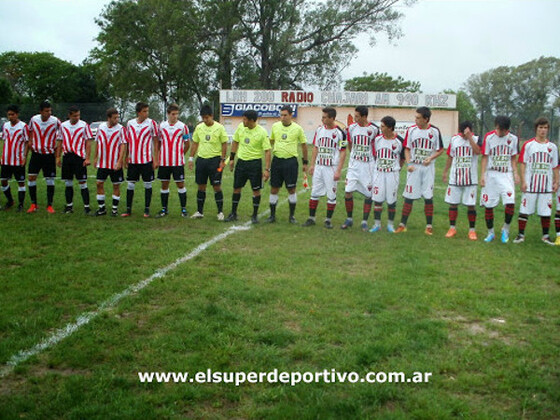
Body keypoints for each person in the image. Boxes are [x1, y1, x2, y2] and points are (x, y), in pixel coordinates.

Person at [395, 106, 444, 235]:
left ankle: (429, 226)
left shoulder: (434, 131)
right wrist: (409, 163)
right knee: (408, 196)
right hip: (414, 167)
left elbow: (440, 150)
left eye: (418, 118)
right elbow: (407, 148)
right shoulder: (411, 130)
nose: (415, 120)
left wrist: (431, 158)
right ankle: (402, 225)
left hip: (428, 168)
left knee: (428, 196)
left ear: (426, 119)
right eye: (415, 117)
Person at [513, 117, 559, 245]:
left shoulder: (552, 147)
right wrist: (523, 181)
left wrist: (556, 181)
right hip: (531, 184)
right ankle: (520, 235)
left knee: (546, 211)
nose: (543, 130)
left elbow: (555, 166)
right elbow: (522, 163)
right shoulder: (529, 145)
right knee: (525, 209)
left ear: (548, 130)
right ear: (536, 129)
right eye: (540, 128)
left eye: (545, 128)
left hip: (546, 185)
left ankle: (545, 236)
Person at [302, 107, 347, 229]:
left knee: (331, 195)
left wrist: (338, 170)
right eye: (322, 117)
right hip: (319, 166)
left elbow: (343, 152)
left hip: (331, 168)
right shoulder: (319, 130)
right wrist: (312, 165)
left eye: (325, 117)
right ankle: (311, 218)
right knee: (314, 193)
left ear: (332, 118)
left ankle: (328, 220)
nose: (322, 119)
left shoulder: (340, 133)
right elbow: (316, 147)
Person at [225, 110, 271, 224]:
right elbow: (235, 142)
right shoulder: (241, 127)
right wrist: (231, 159)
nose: (243, 121)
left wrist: (266, 169)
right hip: (241, 163)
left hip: (254, 164)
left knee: (256, 190)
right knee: (236, 188)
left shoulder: (261, 132)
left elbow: (267, 151)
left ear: (251, 120)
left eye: (245, 119)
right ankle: (233, 213)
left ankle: (255, 215)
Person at [479, 116, 519, 243]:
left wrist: (516, 173)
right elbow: (484, 157)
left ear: (507, 130)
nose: (499, 132)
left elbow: (513, 158)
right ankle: (490, 232)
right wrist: (482, 175)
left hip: (506, 174)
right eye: (498, 129)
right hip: (491, 173)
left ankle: (505, 229)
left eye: (502, 130)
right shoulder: (489, 137)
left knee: (510, 201)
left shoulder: (513, 139)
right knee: (488, 204)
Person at [266, 105, 308, 224]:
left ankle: (291, 216)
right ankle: (272, 216)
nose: (282, 117)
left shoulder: (298, 128)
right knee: (274, 189)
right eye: (281, 115)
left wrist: (305, 162)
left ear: (291, 115)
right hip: (277, 161)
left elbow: (304, 145)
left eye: (285, 115)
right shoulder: (275, 126)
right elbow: (271, 141)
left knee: (291, 189)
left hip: (291, 162)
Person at [441, 121, 482, 240]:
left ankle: (472, 231)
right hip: (455, 177)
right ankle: (452, 228)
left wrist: (470, 138)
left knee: (471, 205)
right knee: (453, 203)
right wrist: (445, 171)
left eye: (466, 132)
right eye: (462, 133)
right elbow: (450, 156)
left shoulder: (476, 138)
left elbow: (478, 151)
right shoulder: (454, 140)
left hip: (471, 178)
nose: (464, 135)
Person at [341, 106, 379, 231]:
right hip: (354, 165)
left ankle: (364, 221)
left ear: (364, 116)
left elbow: (378, 145)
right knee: (348, 191)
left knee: (368, 194)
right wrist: (354, 155)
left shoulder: (374, 129)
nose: (355, 118)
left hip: (368, 165)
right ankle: (349, 219)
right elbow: (350, 143)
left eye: (357, 116)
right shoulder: (351, 128)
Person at [188, 105, 228, 220]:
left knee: (216, 186)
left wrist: (222, 160)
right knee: (201, 186)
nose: (205, 120)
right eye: (203, 118)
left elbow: (224, 143)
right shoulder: (199, 127)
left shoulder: (219, 128)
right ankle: (199, 211)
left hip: (214, 161)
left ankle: (220, 212)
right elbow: (195, 143)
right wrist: (191, 158)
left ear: (212, 116)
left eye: (206, 118)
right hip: (201, 161)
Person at [121, 102, 159, 218]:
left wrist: (156, 159)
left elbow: (156, 141)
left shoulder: (152, 123)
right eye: (144, 111)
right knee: (130, 185)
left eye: (147, 111)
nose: (146, 113)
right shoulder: (130, 123)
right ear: (138, 112)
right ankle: (128, 209)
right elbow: (127, 142)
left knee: (148, 184)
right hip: (133, 160)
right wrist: (126, 157)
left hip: (146, 160)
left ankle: (147, 210)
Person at [369, 116, 404, 233]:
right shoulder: (377, 140)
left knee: (391, 200)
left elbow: (402, 158)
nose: (381, 128)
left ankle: (390, 225)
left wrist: (396, 169)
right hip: (379, 173)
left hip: (392, 174)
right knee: (377, 199)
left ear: (390, 128)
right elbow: (375, 155)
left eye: (383, 126)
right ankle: (377, 224)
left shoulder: (399, 140)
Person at [56, 105, 93, 214]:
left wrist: (87, 158)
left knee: (83, 182)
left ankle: (87, 207)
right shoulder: (63, 126)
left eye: (78, 115)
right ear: (69, 115)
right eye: (75, 115)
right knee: (68, 183)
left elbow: (88, 142)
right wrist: (58, 157)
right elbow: (60, 141)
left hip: (79, 157)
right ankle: (69, 207)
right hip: (67, 156)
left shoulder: (84, 125)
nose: (77, 117)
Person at [155, 103, 190, 218]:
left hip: (177, 162)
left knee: (180, 184)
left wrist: (180, 154)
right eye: (173, 114)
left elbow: (187, 143)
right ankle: (164, 209)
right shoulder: (162, 126)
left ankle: (183, 210)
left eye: (177, 114)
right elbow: (159, 142)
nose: (175, 116)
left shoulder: (182, 127)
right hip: (164, 162)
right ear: (168, 114)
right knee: (164, 184)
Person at [27, 100, 61, 213]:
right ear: (41, 111)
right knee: (31, 178)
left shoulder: (55, 121)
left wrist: (58, 152)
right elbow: (30, 131)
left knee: (50, 180)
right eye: (47, 111)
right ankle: (33, 204)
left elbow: (62, 133)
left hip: (49, 155)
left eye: (50, 110)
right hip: (36, 154)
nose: (49, 113)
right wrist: (31, 141)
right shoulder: (34, 119)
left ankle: (49, 205)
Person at [93, 108, 126, 216]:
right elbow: (97, 142)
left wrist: (120, 161)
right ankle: (102, 209)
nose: (117, 120)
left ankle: (114, 210)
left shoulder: (121, 129)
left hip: (115, 163)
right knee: (99, 183)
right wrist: (95, 158)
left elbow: (123, 145)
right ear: (109, 118)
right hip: (103, 163)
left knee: (116, 185)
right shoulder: (101, 127)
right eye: (115, 118)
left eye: (118, 117)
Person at [1, 105, 29, 211]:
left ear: (17, 114)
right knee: (3, 181)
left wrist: (24, 156)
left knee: (20, 182)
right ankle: (10, 201)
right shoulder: (6, 125)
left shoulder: (23, 126)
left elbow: (27, 142)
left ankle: (20, 204)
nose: (10, 117)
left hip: (18, 160)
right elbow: (4, 140)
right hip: (6, 159)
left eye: (12, 114)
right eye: (9, 115)